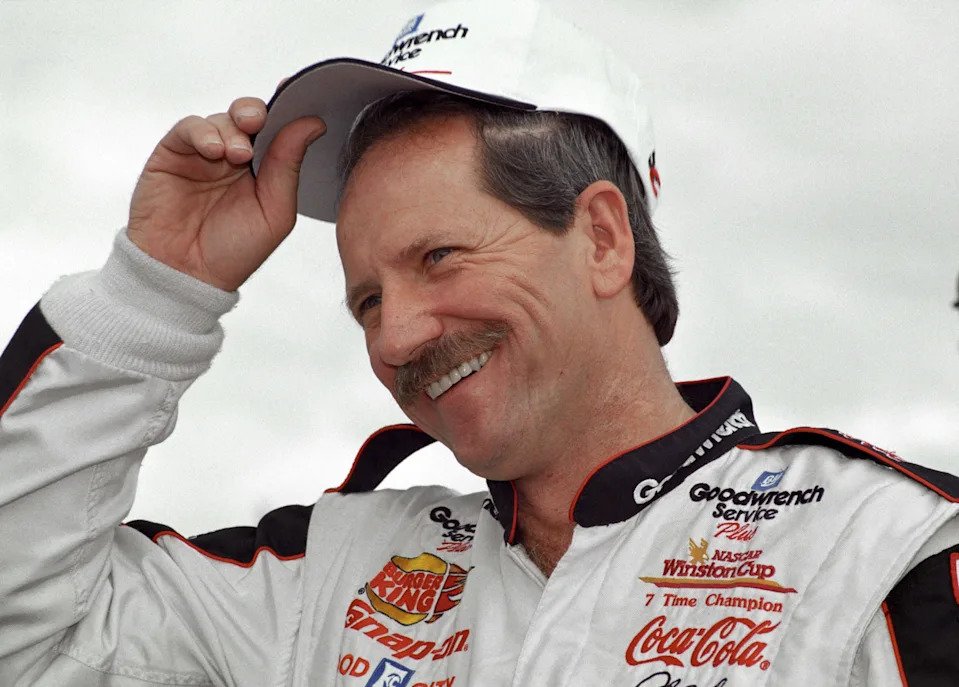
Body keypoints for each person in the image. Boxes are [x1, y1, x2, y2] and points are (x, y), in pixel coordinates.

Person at [1, 1, 957, 685]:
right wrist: (154, 292)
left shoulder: (882, 549)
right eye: (367, 299)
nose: (400, 332)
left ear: (601, 237)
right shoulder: (321, 577)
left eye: (440, 256)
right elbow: (26, 640)